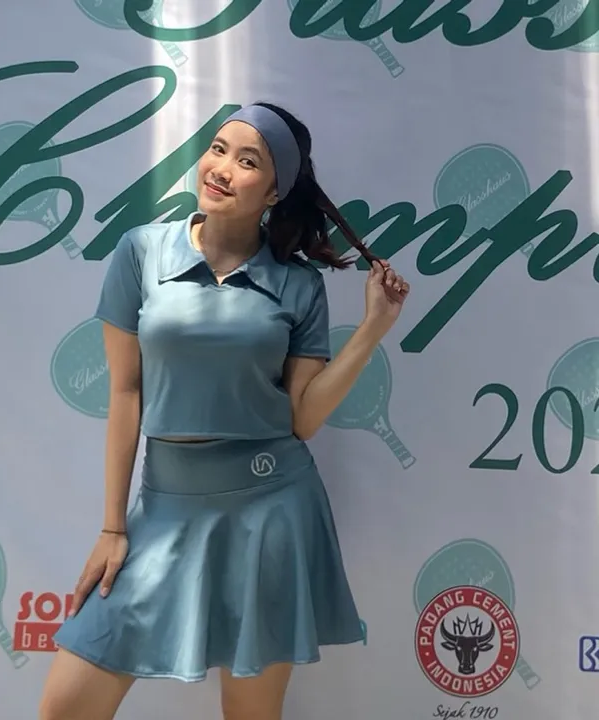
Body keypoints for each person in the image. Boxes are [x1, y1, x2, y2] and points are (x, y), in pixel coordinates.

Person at [39, 102, 409, 720]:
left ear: (274, 192)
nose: (221, 168)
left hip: (270, 511)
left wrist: (373, 328)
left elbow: (303, 419)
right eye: (217, 149)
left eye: (248, 161)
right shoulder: (140, 252)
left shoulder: (298, 284)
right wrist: (112, 527)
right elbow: (125, 392)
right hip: (165, 506)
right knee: (66, 708)